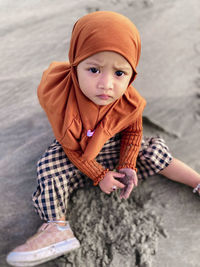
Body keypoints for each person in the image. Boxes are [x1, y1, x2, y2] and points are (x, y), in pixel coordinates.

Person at [6, 10, 200, 267]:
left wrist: (128, 164)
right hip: (75, 153)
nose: (106, 84)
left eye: (119, 73)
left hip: (110, 145)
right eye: (94, 69)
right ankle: (56, 228)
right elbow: (72, 151)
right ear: (76, 66)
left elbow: (132, 130)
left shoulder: (128, 100)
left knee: (154, 151)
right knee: (48, 166)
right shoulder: (65, 103)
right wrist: (100, 176)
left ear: (131, 74)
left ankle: (196, 181)